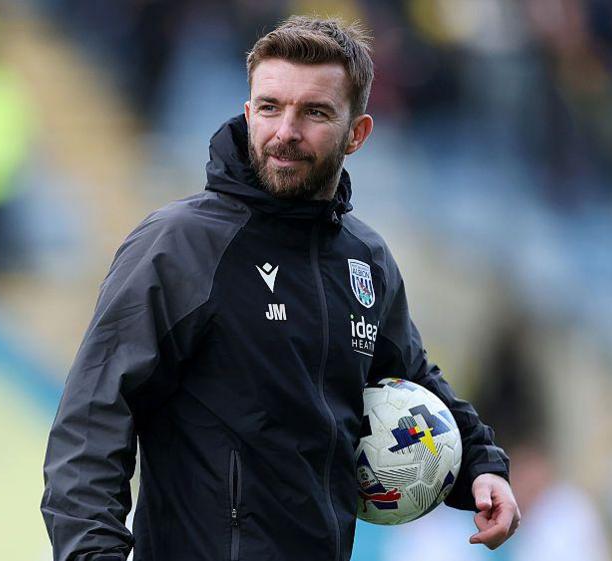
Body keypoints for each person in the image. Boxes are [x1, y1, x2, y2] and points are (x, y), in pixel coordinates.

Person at [40, 15, 520, 561]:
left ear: (357, 133)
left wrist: (481, 465)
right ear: (248, 113)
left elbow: (410, 378)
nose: (285, 131)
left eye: (314, 112)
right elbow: (93, 416)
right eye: (270, 107)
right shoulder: (180, 246)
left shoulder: (365, 261)